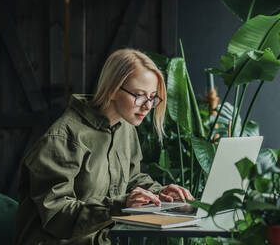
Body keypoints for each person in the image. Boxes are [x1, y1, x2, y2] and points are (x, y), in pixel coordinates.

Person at [14, 48, 194, 245]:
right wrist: (118, 205)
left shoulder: (126, 128)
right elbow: (56, 215)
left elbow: (132, 179)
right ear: (113, 90)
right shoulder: (64, 137)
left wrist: (161, 193)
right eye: (140, 96)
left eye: (152, 97)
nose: (147, 106)